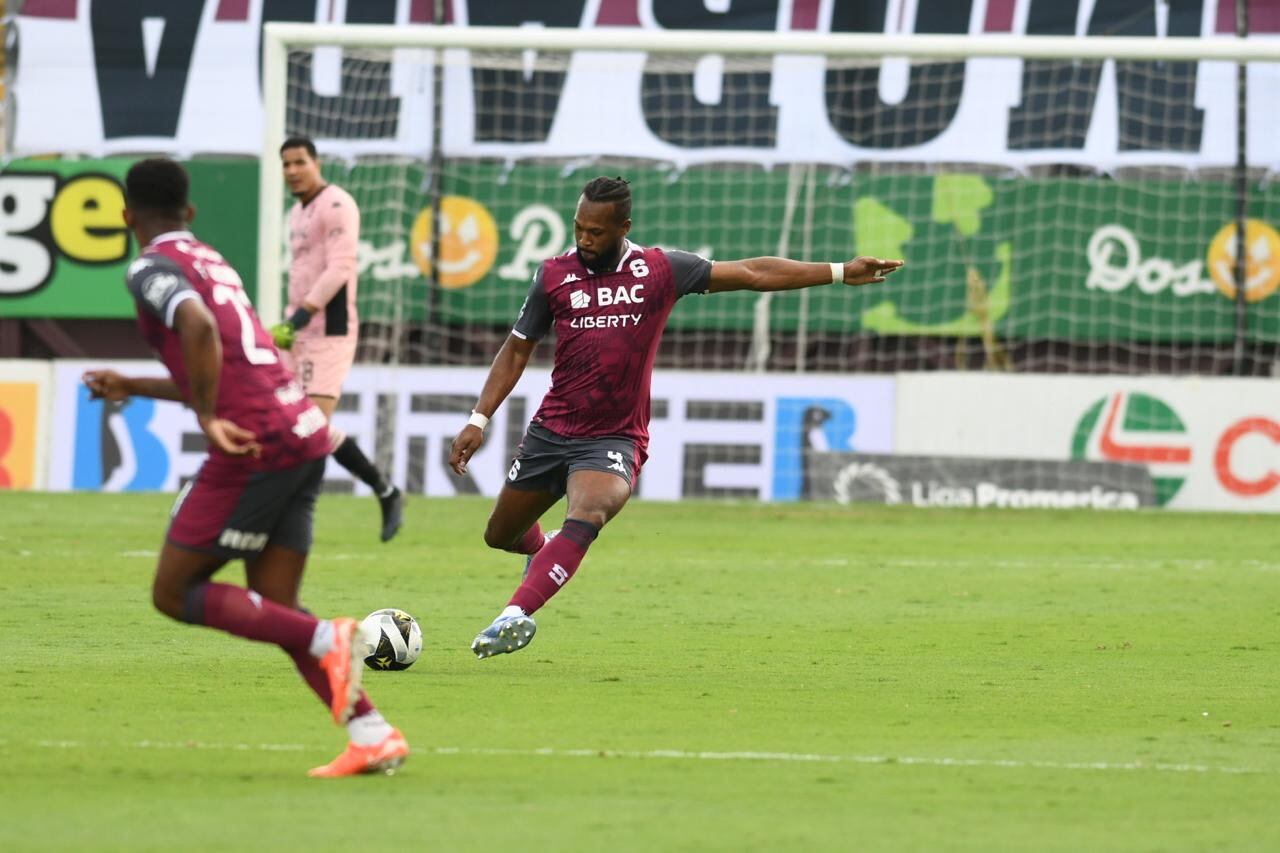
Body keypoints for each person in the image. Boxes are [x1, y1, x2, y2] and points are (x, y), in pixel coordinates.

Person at [449, 176, 903, 658]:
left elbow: (752, 272)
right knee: (500, 535)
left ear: (624, 227)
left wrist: (839, 271)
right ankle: (545, 551)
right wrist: (479, 419)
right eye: (579, 228)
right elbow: (516, 350)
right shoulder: (554, 275)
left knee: (589, 512)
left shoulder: (660, 270)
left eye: (596, 232)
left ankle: (514, 614)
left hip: (613, 437)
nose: (584, 240)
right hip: (551, 430)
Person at [84, 157, 408, 777]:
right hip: (304, 432)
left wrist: (208, 418)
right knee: (277, 606)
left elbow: (197, 327)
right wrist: (134, 384)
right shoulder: (212, 260)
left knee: (172, 591)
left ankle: (328, 638)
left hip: (255, 445)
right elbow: (225, 359)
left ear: (127, 216)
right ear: (190, 212)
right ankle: (372, 733)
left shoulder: (150, 267)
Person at [271, 136, 404, 543]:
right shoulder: (297, 211)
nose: (292, 170)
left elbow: (341, 267)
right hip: (296, 332)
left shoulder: (337, 204)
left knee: (310, 427)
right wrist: (290, 323)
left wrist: (300, 316)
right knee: (290, 423)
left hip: (327, 332)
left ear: (316, 163)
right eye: (286, 164)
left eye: (300, 162)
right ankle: (384, 490)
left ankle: (376, 492)